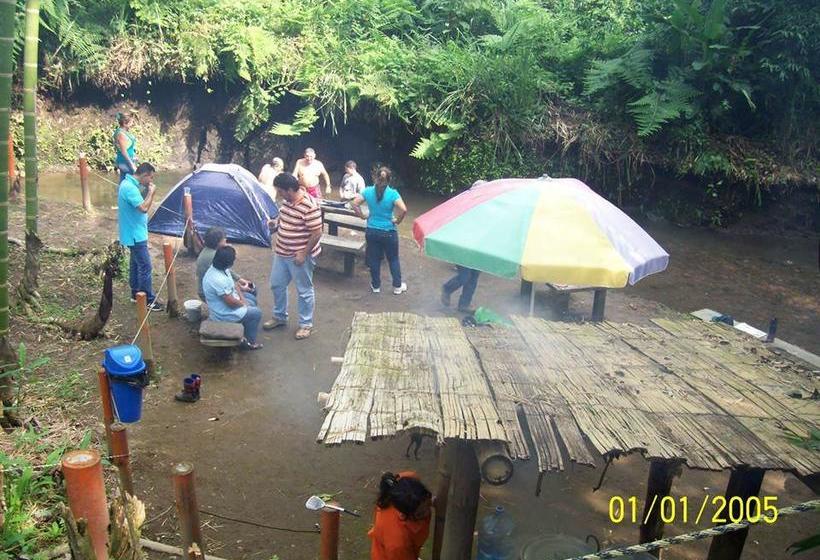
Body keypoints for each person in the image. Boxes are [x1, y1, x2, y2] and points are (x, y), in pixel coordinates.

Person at [264, 172, 322, 340]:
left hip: (299, 256)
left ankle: (306, 324)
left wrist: (303, 253)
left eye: (281, 191)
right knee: (276, 285)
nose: (279, 194)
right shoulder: (287, 201)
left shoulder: (309, 206)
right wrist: (275, 224)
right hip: (281, 252)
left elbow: (317, 233)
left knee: (304, 290)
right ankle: (279, 316)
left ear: (289, 190)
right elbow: (283, 217)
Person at [352, 166, 407, 295]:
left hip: (372, 231)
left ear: (375, 177)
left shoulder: (367, 191)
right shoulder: (393, 193)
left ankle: (376, 286)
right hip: (389, 231)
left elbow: (354, 203)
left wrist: (362, 216)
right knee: (393, 259)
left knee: (374, 259)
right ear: (389, 180)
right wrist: (397, 221)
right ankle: (397, 287)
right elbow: (404, 209)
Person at [118, 162, 163, 310]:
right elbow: (143, 208)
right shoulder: (130, 188)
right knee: (145, 266)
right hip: (135, 234)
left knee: (135, 264)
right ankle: (148, 300)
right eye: (150, 178)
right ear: (144, 175)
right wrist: (151, 193)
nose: (151, 181)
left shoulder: (127, 183)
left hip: (132, 232)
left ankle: (135, 294)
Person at [202, 246, 263, 350]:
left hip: (228, 303)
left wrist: (243, 298)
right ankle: (249, 343)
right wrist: (243, 304)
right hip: (223, 313)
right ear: (229, 263)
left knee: (251, 299)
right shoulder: (217, 279)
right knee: (256, 312)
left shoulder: (221, 268)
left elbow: (233, 284)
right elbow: (230, 303)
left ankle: (244, 328)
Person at [441, 180, 486, 312]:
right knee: (465, 276)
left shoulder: (488, 210)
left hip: (478, 249)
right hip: (463, 247)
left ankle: (464, 304)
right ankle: (447, 288)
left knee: (474, 277)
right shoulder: (464, 207)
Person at [369, 471, 432, 560]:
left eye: (428, 503)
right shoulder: (398, 543)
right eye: (420, 514)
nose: (427, 512)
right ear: (404, 515)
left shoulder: (406, 481)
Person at [196, 227, 253, 299]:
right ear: (217, 242)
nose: (226, 240)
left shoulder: (208, 251)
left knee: (249, 294)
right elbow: (225, 280)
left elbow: (226, 270)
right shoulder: (215, 256)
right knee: (251, 295)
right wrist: (240, 288)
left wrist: (239, 279)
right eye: (224, 239)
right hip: (210, 292)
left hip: (206, 289)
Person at [113, 112, 138, 182]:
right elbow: (124, 151)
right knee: (134, 182)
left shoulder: (122, 132)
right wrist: (132, 165)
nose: (132, 124)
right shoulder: (121, 134)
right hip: (126, 163)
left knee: (124, 181)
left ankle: (121, 192)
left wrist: (134, 156)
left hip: (125, 161)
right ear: (124, 123)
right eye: (131, 122)